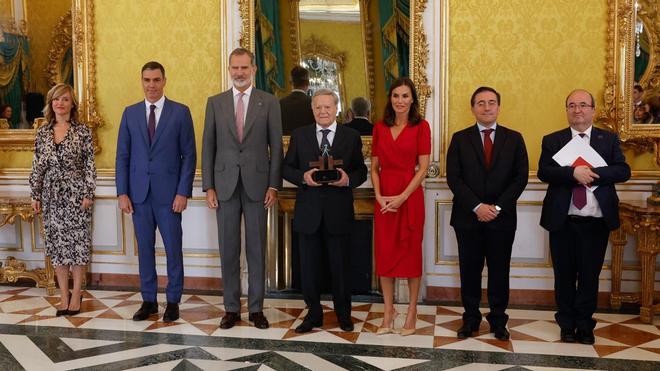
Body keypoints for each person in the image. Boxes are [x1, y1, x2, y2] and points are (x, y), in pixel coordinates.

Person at [538, 89, 630, 345]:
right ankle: (566, 325)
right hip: (563, 221)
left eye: (582, 105)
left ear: (593, 109)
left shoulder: (608, 139)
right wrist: (572, 174)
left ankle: (585, 325)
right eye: (572, 105)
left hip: (596, 222)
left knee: (589, 277)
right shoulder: (553, 140)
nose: (577, 110)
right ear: (566, 109)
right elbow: (545, 172)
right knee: (564, 277)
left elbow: (624, 171)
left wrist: (591, 173)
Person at [202, 48, 283, 330]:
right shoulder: (215, 103)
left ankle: (257, 308)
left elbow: (276, 148)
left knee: (256, 250)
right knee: (228, 249)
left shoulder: (269, 102)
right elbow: (208, 147)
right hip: (223, 187)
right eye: (234, 67)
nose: (239, 72)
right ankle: (231, 309)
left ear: (254, 69)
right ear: (229, 68)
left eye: (244, 68)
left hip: (259, 187)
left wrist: (274, 184)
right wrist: (208, 186)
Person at [115, 61, 196, 323]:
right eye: (147, 80)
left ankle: (173, 301)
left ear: (164, 81)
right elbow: (122, 156)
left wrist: (183, 192)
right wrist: (122, 192)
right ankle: (148, 300)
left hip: (170, 196)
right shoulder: (130, 113)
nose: (151, 85)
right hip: (138, 196)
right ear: (142, 81)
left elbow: (189, 156)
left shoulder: (180, 112)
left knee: (174, 249)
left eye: (156, 80)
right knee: (145, 251)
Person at [446, 86, 529, 341]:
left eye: (491, 102)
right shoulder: (459, 139)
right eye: (480, 103)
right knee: (469, 271)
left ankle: (498, 321)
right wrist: (477, 207)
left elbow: (520, 178)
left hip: (501, 219)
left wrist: (496, 208)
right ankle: (470, 319)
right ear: (473, 108)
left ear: (499, 107)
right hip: (467, 218)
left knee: (499, 271)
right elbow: (455, 179)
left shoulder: (514, 138)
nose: (486, 107)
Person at [282, 88, 367, 334]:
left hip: (338, 212)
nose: (323, 111)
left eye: (328, 107)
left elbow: (361, 171)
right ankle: (314, 314)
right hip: (309, 213)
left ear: (337, 108)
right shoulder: (299, 135)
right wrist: (304, 177)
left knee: (341, 266)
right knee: (309, 268)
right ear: (312, 109)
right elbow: (286, 168)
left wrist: (347, 179)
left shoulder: (350, 137)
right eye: (318, 107)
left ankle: (343, 314)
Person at [29, 83, 96, 317]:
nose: (60, 103)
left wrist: (88, 192)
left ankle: (77, 293)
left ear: (72, 103)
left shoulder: (83, 131)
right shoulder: (43, 132)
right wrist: (35, 194)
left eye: (65, 99)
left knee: (77, 246)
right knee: (57, 248)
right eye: (56, 99)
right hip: (51, 197)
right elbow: (37, 166)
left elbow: (89, 165)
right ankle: (63, 295)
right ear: (50, 104)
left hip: (77, 195)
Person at [371, 78, 430, 336]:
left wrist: (403, 196)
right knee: (385, 254)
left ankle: (412, 311)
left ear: (412, 99)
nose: (400, 101)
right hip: (384, 199)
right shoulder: (380, 127)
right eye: (396, 96)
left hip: (410, 198)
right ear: (390, 99)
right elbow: (373, 167)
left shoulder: (421, 127)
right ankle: (388, 311)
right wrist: (379, 195)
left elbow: (424, 168)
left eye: (405, 96)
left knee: (410, 254)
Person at [280, 66, 315, 135]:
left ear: (291, 82)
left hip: (286, 145)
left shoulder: (280, 103)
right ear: (308, 83)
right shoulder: (313, 103)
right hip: (308, 144)